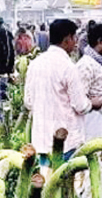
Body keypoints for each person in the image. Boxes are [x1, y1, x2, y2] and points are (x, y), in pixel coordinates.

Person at [24, 19, 97, 172]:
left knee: (46, 183)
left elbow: (28, 102)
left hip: (42, 140)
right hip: (66, 141)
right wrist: (94, 103)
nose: (76, 42)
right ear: (67, 39)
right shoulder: (68, 67)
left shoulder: (35, 64)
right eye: (74, 38)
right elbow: (81, 106)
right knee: (66, 185)